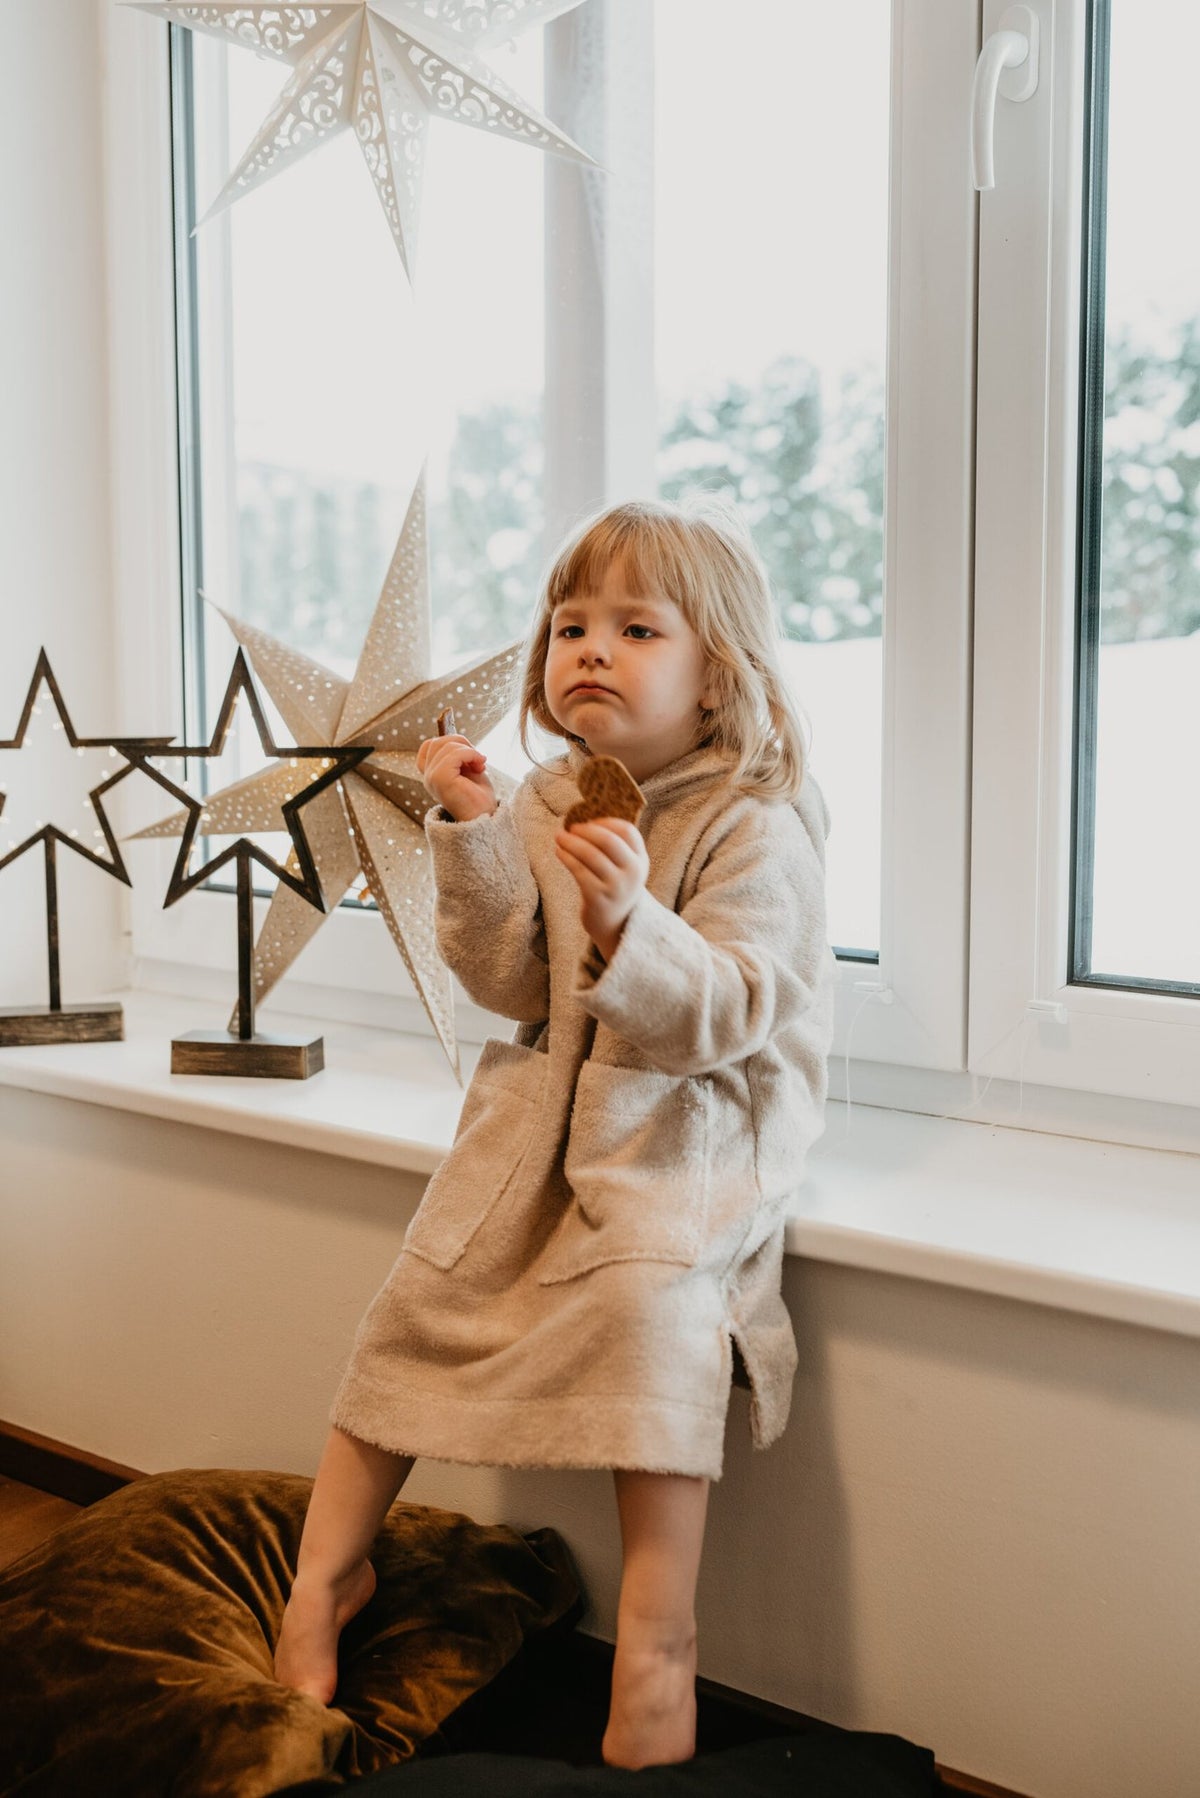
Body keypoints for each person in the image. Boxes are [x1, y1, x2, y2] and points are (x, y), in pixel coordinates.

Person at [274, 497, 837, 1769]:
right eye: (570, 623)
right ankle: (323, 1581)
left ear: (717, 677)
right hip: (559, 1102)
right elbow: (516, 982)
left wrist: (639, 918)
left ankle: (656, 1650)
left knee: (653, 1322)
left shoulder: (758, 824)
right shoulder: (552, 798)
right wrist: (472, 833)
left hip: (690, 1119)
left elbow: (736, 1009)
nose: (589, 646)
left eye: (636, 627)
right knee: (421, 1291)